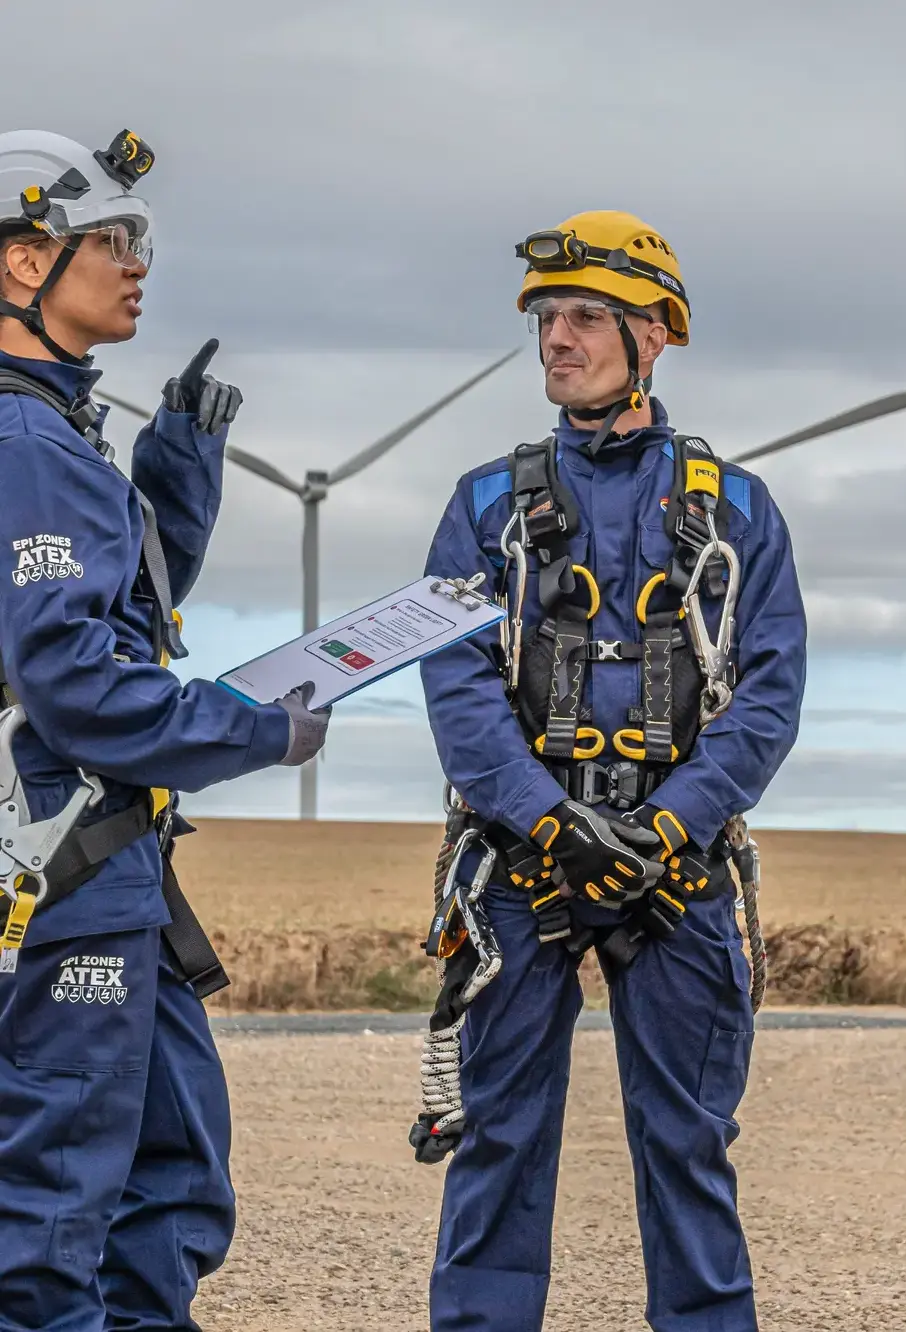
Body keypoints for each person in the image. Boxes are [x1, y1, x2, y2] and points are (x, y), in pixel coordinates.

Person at [417, 210, 806, 1330]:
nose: (556, 339)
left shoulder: (736, 510)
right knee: (497, 1137)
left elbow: (767, 695)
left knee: (687, 1143)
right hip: (517, 867)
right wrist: (547, 824)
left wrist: (672, 828)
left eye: (585, 316)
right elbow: (456, 685)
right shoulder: (483, 505)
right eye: (547, 318)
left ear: (656, 335)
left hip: (677, 876)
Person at [0, 129, 330, 1331]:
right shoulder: (22, 442)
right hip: (58, 876)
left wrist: (176, 474)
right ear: (21, 262)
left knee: (169, 1187)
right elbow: (80, 689)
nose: (139, 264)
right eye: (113, 242)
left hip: (112, 878)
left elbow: (115, 624)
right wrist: (257, 732)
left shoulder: (53, 434)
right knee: (46, 1227)